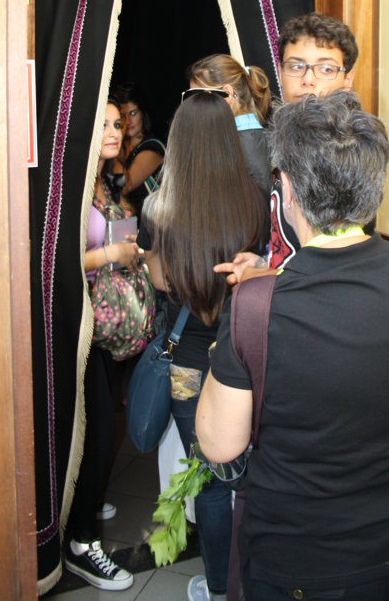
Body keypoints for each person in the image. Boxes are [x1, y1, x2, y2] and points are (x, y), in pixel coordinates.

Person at [196, 92, 389, 601]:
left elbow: (218, 444)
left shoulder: (256, 306)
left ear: (289, 191)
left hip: (307, 566)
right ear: (374, 186)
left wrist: (223, 350)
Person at [139, 90, 269, 601]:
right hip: (244, 355)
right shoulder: (255, 201)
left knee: (209, 481)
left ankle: (218, 588)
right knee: (250, 473)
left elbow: (160, 281)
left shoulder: (157, 208)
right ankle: (253, 581)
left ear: (179, 140)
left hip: (188, 366)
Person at [217, 12, 359, 278]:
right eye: (296, 66)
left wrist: (259, 278)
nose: (307, 79)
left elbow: (329, 271)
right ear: (280, 71)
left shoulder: (347, 152)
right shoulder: (289, 137)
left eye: (325, 69)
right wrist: (265, 263)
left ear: (347, 79)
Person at [64, 99, 136, 591]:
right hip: (80, 321)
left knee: (101, 421)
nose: (115, 131)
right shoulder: (71, 186)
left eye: (117, 123)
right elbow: (61, 258)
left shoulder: (103, 182)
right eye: (104, 124)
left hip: (105, 319)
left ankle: (83, 503)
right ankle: (80, 542)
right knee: (98, 431)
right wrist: (111, 252)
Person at [187, 54, 272, 194]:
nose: (193, 106)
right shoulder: (258, 136)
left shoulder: (237, 145)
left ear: (227, 93)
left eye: (199, 97)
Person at [116, 83, 165, 223]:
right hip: (128, 225)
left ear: (142, 113)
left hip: (153, 228)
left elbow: (124, 186)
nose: (128, 121)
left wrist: (114, 152)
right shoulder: (123, 148)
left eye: (133, 113)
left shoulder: (152, 147)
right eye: (123, 115)